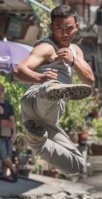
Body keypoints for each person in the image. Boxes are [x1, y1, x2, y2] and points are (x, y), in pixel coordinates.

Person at [13, 5, 94, 174]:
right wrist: (40, 78)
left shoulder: (76, 51)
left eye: (69, 28)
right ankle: (50, 90)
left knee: (77, 165)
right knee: (51, 88)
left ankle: (36, 140)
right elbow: (19, 70)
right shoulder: (46, 47)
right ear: (51, 28)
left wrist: (73, 61)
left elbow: (89, 79)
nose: (64, 34)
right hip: (35, 99)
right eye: (59, 29)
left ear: (77, 27)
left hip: (45, 120)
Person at [0, 84, 18, 182]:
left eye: (2, 90)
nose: (1, 92)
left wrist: (14, 133)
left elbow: (13, 121)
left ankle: (4, 175)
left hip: (8, 134)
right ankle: (14, 171)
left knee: (8, 155)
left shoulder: (8, 105)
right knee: (4, 157)